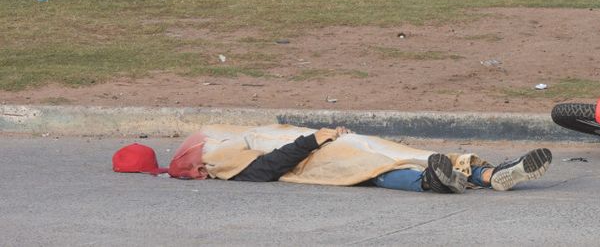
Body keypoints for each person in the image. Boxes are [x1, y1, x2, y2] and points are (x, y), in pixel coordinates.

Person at [113, 124, 551, 194]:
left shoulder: (219, 139)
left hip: (325, 144)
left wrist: (319, 132)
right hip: (314, 159)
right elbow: (262, 170)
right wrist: (312, 139)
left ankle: (490, 173)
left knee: (399, 154)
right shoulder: (214, 158)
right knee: (377, 169)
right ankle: (440, 181)